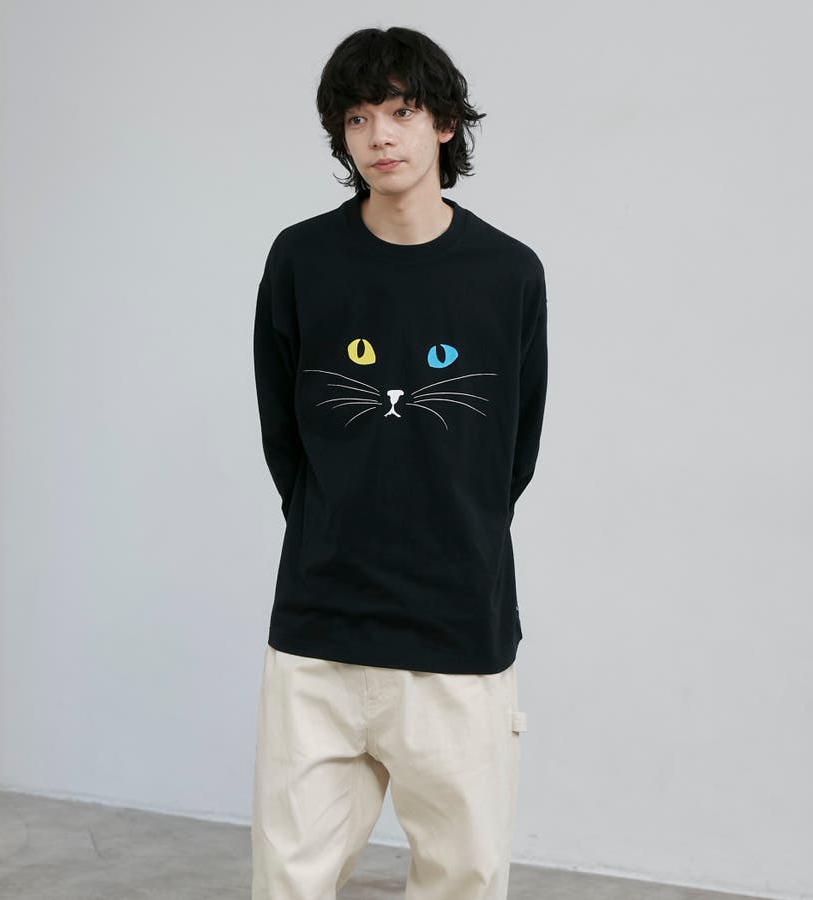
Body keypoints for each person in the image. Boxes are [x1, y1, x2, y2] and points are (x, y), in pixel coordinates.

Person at [251, 25, 548, 900]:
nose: (379, 135)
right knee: (289, 878)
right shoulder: (301, 259)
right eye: (357, 118)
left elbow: (513, 449)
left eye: (401, 111)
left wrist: (450, 533)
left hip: (455, 628)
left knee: (463, 878)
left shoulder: (508, 273)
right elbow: (282, 432)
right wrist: (333, 526)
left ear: (444, 124)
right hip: (321, 627)